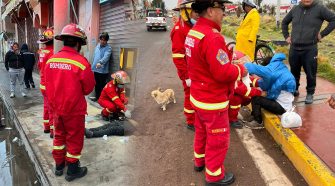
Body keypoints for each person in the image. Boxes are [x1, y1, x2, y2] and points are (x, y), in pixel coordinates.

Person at [185, 0, 247, 185]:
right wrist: (239, 70)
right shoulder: (213, 37)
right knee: (218, 139)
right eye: (222, 9)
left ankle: (200, 161)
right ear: (211, 10)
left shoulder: (193, 32)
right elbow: (222, 72)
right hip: (212, 100)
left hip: (197, 96)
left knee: (201, 131)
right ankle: (214, 175)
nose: (224, 13)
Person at [44, 23, 95, 182]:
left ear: (64, 40)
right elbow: (88, 89)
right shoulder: (81, 62)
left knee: (59, 136)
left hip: (56, 109)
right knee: (74, 138)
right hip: (74, 111)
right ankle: (72, 170)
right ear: (78, 43)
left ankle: (59, 166)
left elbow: (46, 85)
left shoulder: (51, 60)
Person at [282, 0, 335, 104]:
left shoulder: (320, 8)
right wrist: (286, 36)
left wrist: (322, 34)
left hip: (310, 48)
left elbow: (333, 19)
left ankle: (310, 93)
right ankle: (294, 89)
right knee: (294, 71)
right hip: (294, 48)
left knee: (310, 73)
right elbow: (284, 22)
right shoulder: (295, 9)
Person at [244, 53, 296, 129]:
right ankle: (253, 115)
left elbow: (271, 95)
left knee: (256, 98)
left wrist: (262, 93)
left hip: (282, 108)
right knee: (258, 94)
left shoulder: (277, 78)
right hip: (281, 103)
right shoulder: (280, 71)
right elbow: (265, 85)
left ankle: (258, 122)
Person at [170, 0, 199, 131]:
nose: (198, 14)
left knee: (197, 94)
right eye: (195, 11)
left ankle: (196, 117)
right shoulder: (179, 30)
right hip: (188, 72)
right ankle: (191, 121)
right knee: (190, 94)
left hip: (196, 69)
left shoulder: (190, 27)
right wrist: (186, 76)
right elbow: (178, 57)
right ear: (186, 12)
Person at [229, 51, 262, 129]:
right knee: (236, 98)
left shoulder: (237, 72)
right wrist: (261, 93)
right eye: (242, 63)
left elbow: (249, 80)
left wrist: (260, 82)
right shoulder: (232, 77)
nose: (246, 67)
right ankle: (231, 120)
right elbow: (244, 90)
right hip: (220, 99)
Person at [38, 28, 55, 138]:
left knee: (46, 106)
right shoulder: (53, 52)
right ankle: (53, 131)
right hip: (50, 85)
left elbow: (39, 67)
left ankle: (46, 127)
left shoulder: (41, 52)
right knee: (52, 107)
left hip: (43, 84)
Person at [90, 32, 112, 101]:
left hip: (103, 71)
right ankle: (97, 97)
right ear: (99, 39)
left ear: (107, 40)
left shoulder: (108, 48)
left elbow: (106, 57)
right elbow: (94, 56)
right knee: (96, 85)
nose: (102, 41)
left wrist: (100, 62)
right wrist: (92, 64)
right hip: (95, 69)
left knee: (102, 86)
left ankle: (102, 99)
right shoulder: (97, 46)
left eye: (104, 40)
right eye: (101, 39)